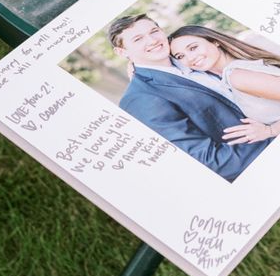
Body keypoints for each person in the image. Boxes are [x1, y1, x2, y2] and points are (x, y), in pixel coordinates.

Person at [109, 14, 270, 182]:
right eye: (138, 39)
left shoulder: (190, 55)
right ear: (121, 51)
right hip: (260, 162)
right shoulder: (140, 98)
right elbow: (210, 161)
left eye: (154, 31)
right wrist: (275, 141)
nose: (152, 41)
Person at [169, 25, 280, 144]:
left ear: (214, 41)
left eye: (193, 47)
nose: (190, 58)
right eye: (180, 56)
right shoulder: (229, 75)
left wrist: (271, 130)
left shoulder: (238, 75)